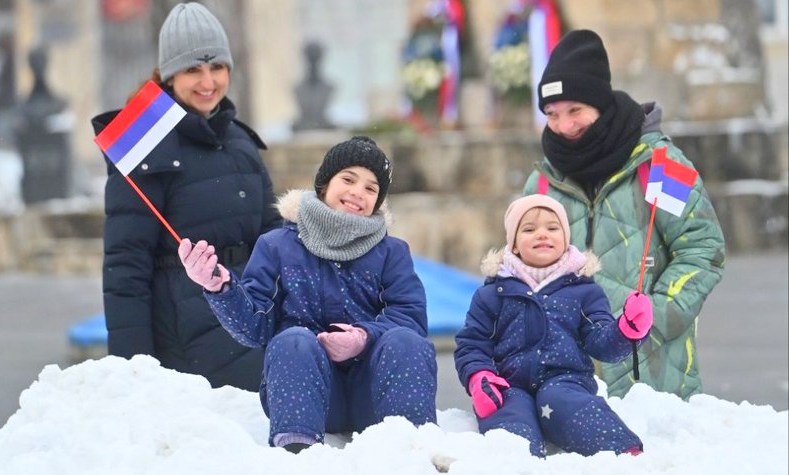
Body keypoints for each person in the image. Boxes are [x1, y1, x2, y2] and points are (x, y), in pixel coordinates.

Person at [178, 136, 438, 453]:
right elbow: (254, 327)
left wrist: (363, 338)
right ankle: (297, 450)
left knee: (407, 341)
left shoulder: (392, 252)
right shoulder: (276, 246)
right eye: (348, 179)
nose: (358, 192)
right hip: (305, 397)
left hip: (374, 394)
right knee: (293, 338)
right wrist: (220, 288)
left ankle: (412, 449)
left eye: (371, 188)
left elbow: (409, 317)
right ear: (324, 184)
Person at [523, 29, 725, 400]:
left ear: (600, 104)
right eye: (552, 114)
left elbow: (703, 248)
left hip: (653, 384)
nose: (563, 126)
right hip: (566, 387)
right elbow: (518, 268)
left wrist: (657, 316)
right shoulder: (541, 182)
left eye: (575, 111)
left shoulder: (661, 165)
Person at [90, 2, 281, 391]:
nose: (208, 81)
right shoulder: (146, 146)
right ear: (169, 75)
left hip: (250, 309)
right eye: (193, 69)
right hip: (185, 328)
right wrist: (132, 369)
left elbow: (272, 235)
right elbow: (126, 265)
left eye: (217, 67)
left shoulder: (241, 140)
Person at [454, 194, 652, 457]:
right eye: (529, 229)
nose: (542, 235)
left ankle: (623, 451)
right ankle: (519, 462)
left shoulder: (583, 291)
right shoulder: (492, 293)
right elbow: (472, 344)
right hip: (509, 385)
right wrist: (480, 377)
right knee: (511, 417)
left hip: (567, 382)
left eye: (552, 227)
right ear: (513, 244)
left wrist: (627, 330)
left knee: (563, 402)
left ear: (565, 238)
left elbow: (602, 343)